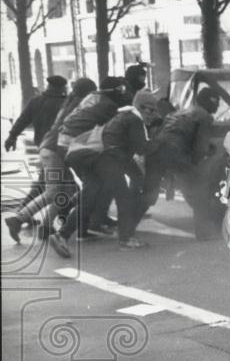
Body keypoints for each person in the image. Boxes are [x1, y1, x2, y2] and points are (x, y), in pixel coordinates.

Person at [49, 91, 159, 257]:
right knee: (123, 196)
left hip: (84, 154)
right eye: (149, 110)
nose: (152, 115)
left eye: (154, 111)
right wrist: (161, 141)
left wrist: (137, 176)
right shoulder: (134, 119)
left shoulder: (122, 117)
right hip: (102, 158)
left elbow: (123, 153)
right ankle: (126, 239)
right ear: (140, 107)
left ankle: (61, 235)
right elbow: (142, 149)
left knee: (89, 198)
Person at [4, 78, 97, 243]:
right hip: (55, 151)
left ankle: (46, 227)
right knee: (52, 191)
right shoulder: (79, 106)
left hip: (50, 149)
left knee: (65, 191)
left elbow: (23, 120)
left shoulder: (66, 102)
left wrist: (12, 136)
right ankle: (19, 219)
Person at [142, 87, 221, 239]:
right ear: (210, 101)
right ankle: (203, 232)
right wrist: (196, 164)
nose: (218, 105)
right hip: (175, 153)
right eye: (217, 101)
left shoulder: (180, 112)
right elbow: (200, 148)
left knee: (149, 194)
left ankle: (127, 229)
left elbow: (172, 132)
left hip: (155, 151)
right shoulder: (204, 116)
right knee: (200, 189)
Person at [4, 75, 67, 152]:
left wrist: (12, 137)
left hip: (41, 142)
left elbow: (22, 121)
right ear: (61, 88)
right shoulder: (66, 103)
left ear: (48, 86)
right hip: (62, 143)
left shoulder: (36, 101)